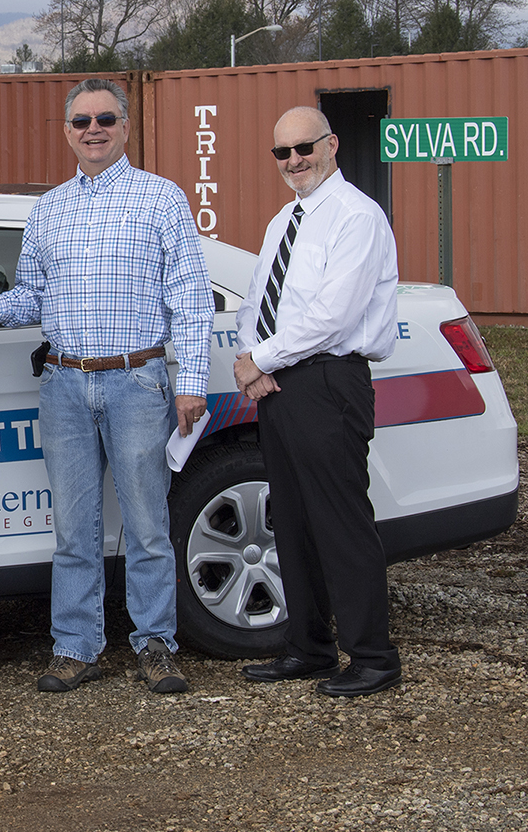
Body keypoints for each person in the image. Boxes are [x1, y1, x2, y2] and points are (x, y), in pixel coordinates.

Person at [0, 78, 213, 695]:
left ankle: (156, 644)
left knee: (147, 525)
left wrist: (191, 382)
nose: (94, 130)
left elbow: (191, 298)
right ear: (67, 131)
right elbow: (32, 296)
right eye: (82, 121)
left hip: (137, 381)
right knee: (73, 529)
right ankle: (76, 647)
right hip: (64, 384)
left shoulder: (161, 198)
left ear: (125, 127)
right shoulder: (48, 209)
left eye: (106, 119)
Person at [235, 107, 402, 698]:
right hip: (282, 383)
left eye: (304, 148)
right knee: (294, 522)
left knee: (340, 523)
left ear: (331, 145)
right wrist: (250, 358)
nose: (293, 161)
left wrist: (263, 359)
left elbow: (334, 316)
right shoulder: (284, 219)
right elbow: (257, 300)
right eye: (281, 152)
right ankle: (308, 648)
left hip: (329, 381)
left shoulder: (357, 216)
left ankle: (374, 658)